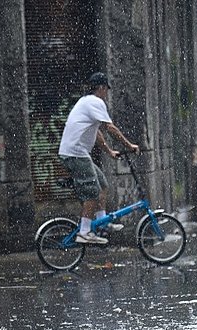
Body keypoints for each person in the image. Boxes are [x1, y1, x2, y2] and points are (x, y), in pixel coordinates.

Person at [58, 72, 140, 244]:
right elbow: (110, 128)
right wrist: (129, 145)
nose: (107, 93)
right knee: (92, 192)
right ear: (102, 88)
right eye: (106, 89)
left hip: (76, 153)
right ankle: (84, 232)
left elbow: (97, 133)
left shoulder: (86, 102)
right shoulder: (95, 102)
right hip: (75, 153)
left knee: (102, 184)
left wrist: (109, 151)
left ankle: (102, 223)